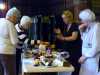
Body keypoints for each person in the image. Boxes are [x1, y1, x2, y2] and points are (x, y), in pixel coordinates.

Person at [54, 10, 82, 75]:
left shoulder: (74, 25)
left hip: (74, 51)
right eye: (62, 18)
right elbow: (63, 37)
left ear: (69, 17)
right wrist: (59, 33)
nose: (63, 20)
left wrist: (63, 38)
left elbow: (73, 37)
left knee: (74, 69)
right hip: (67, 50)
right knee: (68, 69)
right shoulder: (66, 26)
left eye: (64, 18)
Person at [78, 9, 100, 75]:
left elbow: (97, 47)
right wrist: (81, 31)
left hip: (92, 58)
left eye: (82, 19)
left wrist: (85, 56)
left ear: (87, 19)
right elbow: (84, 40)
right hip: (86, 58)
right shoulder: (88, 27)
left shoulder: (97, 27)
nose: (81, 21)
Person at [0, 7, 21, 75]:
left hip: (0, 52)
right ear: (13, 17)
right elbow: (14, 41)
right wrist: (21, 46)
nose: (17, 21)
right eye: (17, 18)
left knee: (2, 72)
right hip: (8, 53)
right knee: (10, 73)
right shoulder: (10, 24)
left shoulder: (1, 21)